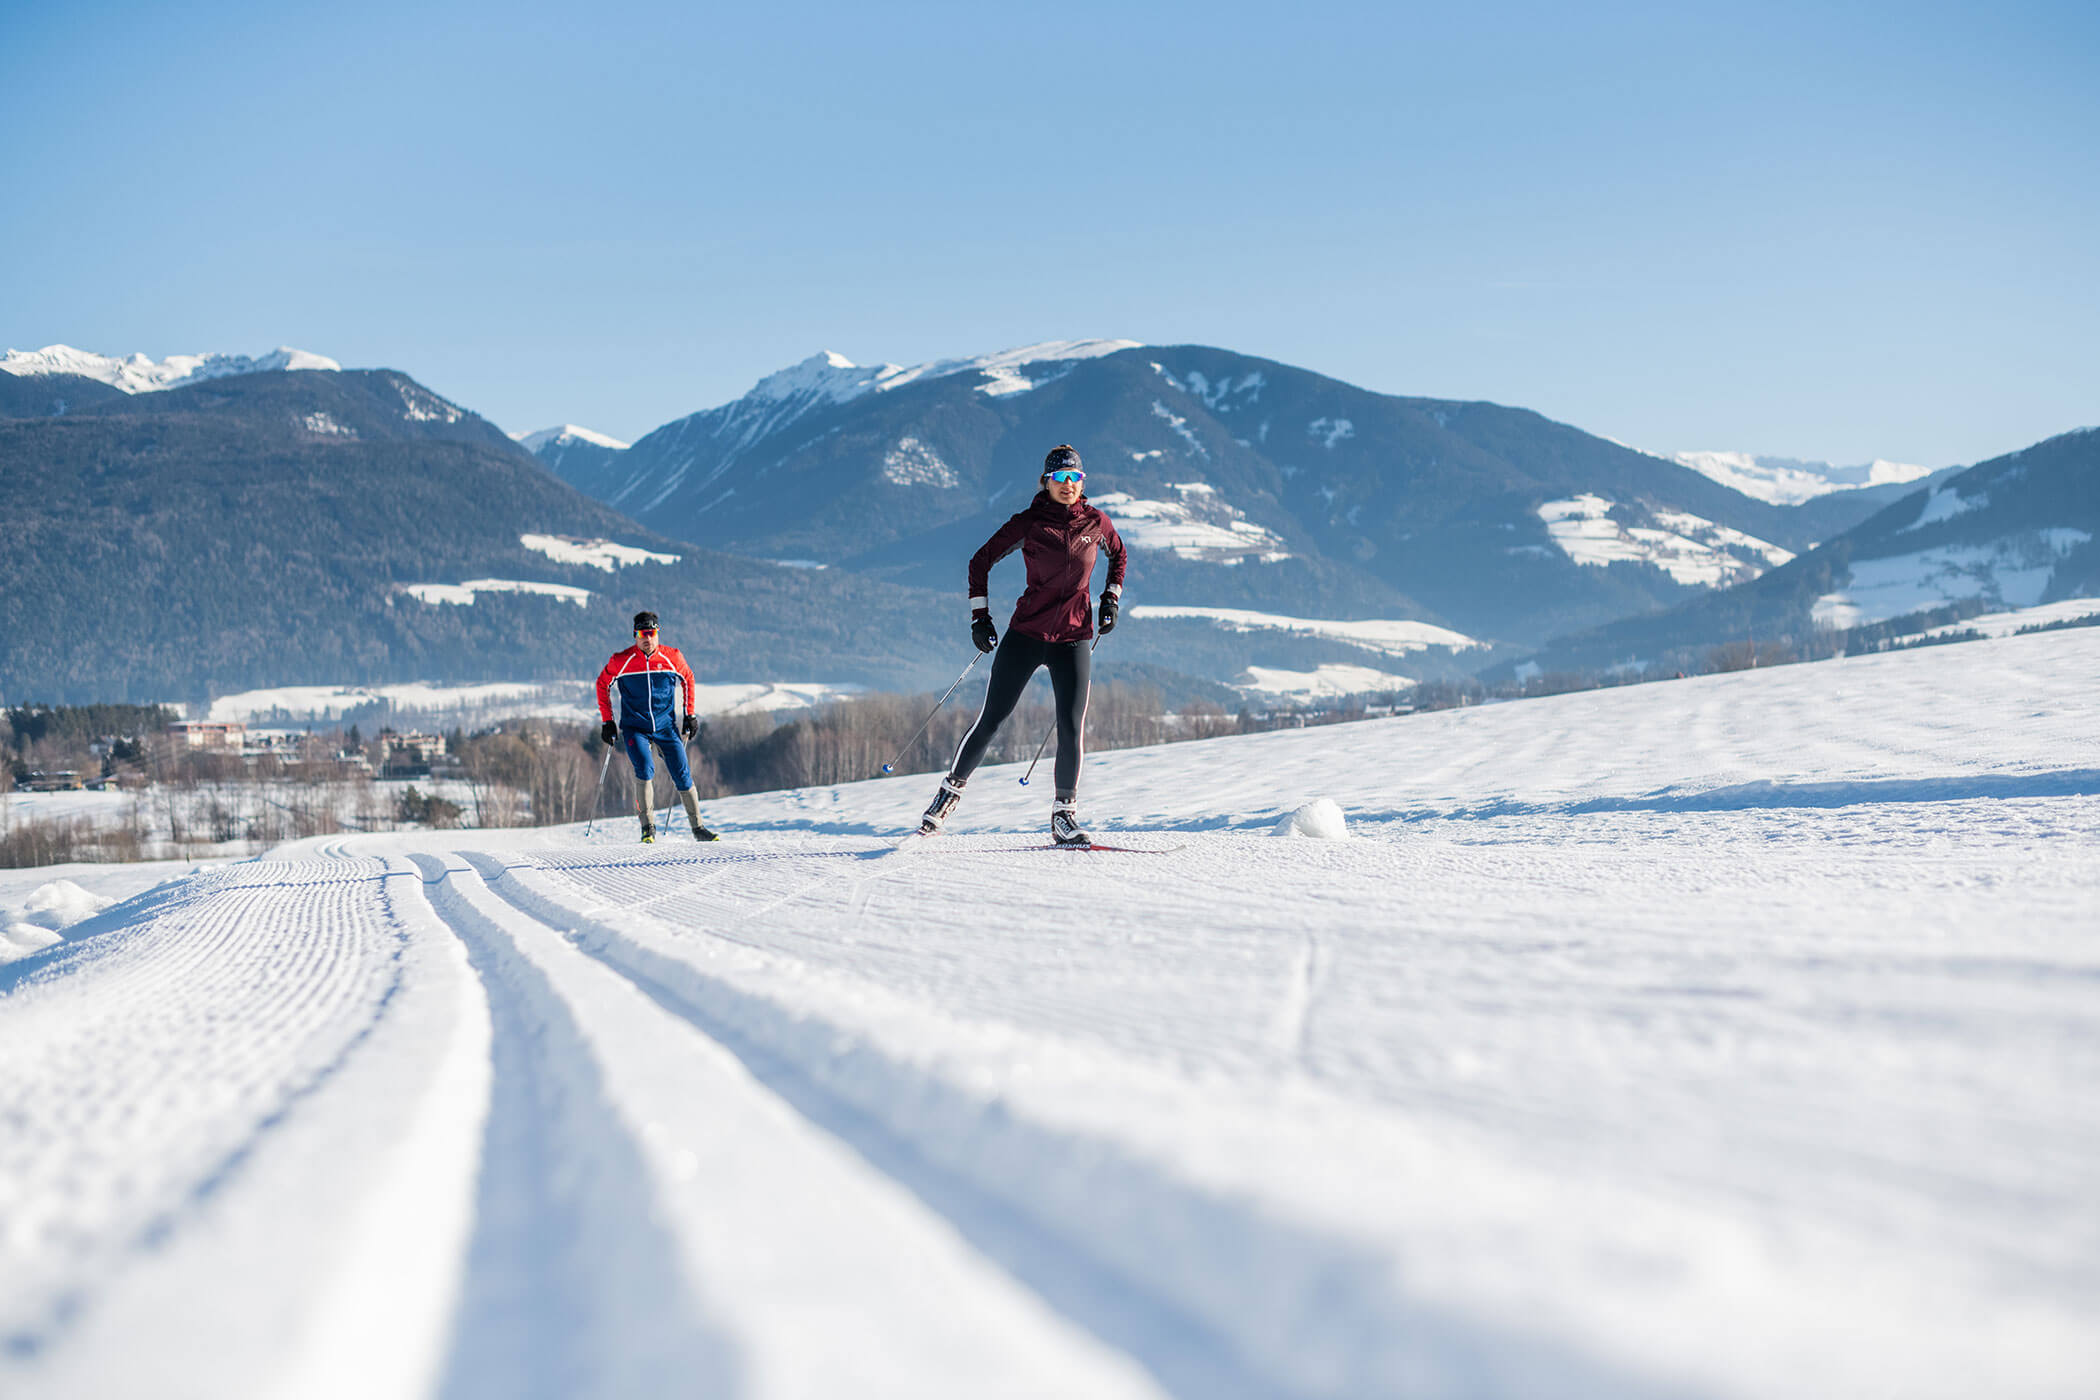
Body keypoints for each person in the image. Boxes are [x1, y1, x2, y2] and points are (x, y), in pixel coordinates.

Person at [920, 444, 1126, 845]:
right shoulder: (1029, 523)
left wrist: (1111, 598)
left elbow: (1119, 557)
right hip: (1027, 635)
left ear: (1082, 483)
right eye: (1060, 478)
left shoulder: (1096, 522)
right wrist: (980, 616)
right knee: (992, 719)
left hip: (1073, 638)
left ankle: (1064, 815)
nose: (1068, 485)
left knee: (1071, 727)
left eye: (1075, 478)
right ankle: (948, 795)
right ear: (1046, 482)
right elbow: (979, 561)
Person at [595, 610, 718, 842]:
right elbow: (602, 684)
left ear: (657, 634)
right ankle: (648, 828)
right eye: (642, 633)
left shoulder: (673, 657)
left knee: (682, 773)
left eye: (651, 633)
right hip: (635, 727)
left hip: (665, 727)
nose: (647, 638)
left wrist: (690, 714)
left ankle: (699, 828)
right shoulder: (622, 660)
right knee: (644, 767)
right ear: (635, 635)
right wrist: (607, 721)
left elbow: (688, 678)